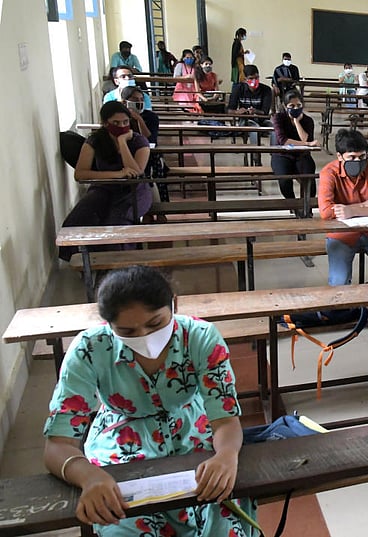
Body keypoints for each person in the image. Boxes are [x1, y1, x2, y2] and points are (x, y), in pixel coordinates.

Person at [42, 266, 257, 536]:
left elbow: (225, 420)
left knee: (221, 519)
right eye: (127, 331)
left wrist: (226, 455)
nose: (144, 337)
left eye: (155, 324)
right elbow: (57, 446)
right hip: (120, 447)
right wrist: (89, 477)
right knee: (121, 523)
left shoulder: (200, 337)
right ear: (109, 325)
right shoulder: (90, 348)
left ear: (173, 304)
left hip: (193, 436)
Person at [58, 102, 152, 261]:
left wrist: (122, 143)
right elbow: (80, 174)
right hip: (104, 188)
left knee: (115, 221)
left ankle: (119, 265)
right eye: (116, 123)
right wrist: (117, 174)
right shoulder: (95, 141)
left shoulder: (138, 141)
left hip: (134, 191)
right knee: (78, 218)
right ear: (105, 123)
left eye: (125, 122)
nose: (121, 126)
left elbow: (136, 173)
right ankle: (84, 263)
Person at [318, 129, 368, 285]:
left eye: (362, 157)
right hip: (343, 235)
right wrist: (367, 204)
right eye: (352, 157)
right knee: (339, 282)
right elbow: (325, 211)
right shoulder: (329, 173)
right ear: (339, 157)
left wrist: (351, 210)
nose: (358, 162)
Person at [271, 90, 318, 200]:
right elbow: (283, 140)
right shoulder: (278, 118)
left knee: (309, 180)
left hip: (301, 155)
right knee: (284, 180)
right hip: (281, 155)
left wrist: (297, 122)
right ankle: (293, 205)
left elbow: (305, 138)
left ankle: (307, 209)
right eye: (292, 105)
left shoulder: (308, 120)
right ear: (285, 106)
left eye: (298, 105)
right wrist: (306, 144)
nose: (295, 108)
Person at [228, 64, 274, 165]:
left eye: (256, 78)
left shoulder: (266, 90)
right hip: (245, 120)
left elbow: (265, 112)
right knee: (255, 129)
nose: (254, 81)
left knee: (274, 128)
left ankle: (275, 155)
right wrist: (238, 112)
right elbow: (229, 110)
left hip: (261, 119)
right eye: (251, 78)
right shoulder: (238, 89)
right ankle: (256, 157)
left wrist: (255, 111)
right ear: (245, 79)